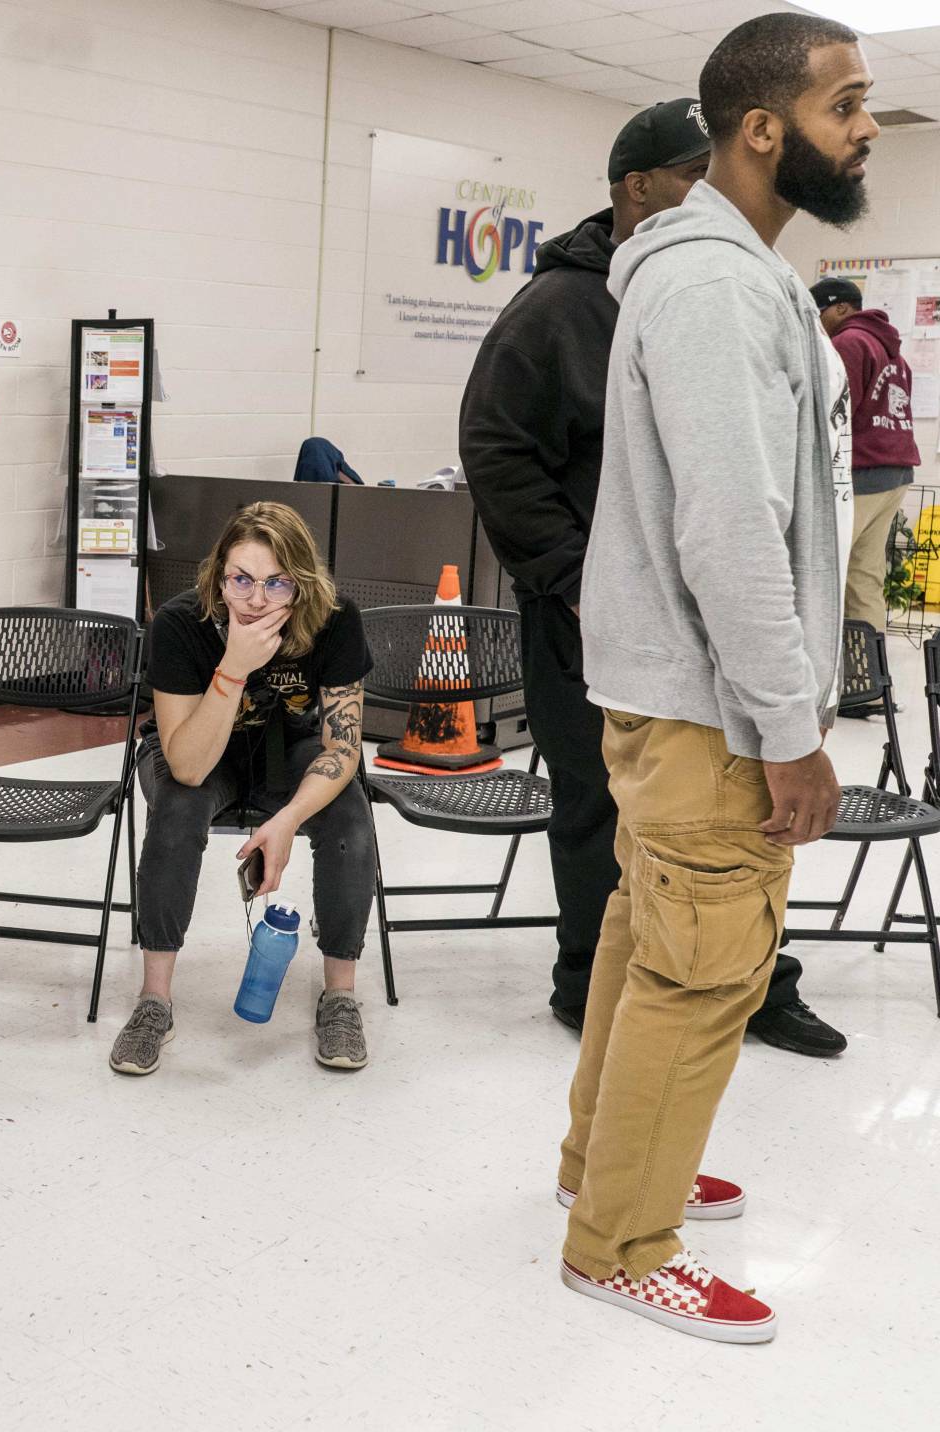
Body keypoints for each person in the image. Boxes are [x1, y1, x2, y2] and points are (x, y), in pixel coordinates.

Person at [554, 13, 876, 1343]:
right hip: (713, 706)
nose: (867, 130)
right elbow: (730, 525)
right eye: (848, 104)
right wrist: (792, 728)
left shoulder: (722, 277)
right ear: (762, 129)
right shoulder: (714, 288)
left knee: (649, 934)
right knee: (705, 971)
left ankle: (601, 1168)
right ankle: (624, 1243)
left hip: (683, 696)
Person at [461, 98, 846, 1059]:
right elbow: (496, 449)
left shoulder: (720, 279)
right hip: (593, 618)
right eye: (692, 172)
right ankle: (590, 983)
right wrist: (572, 576)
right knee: (599, 806)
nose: (710, 188)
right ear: (638, 185)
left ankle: (754, 982)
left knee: (730, 814)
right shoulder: (559, 307)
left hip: (707, 622)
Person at [112, 502, 375, 1075]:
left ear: (301, 584)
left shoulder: (334, 618)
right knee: (178, 809)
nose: (257, 599)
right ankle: (154, 1000)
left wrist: (286, 820)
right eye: (242, 580)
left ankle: (339, 996)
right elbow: (185, 765)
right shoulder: (181, 624)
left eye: (277, 582)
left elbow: (342, 748)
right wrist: (233, 665)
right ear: (218, 576)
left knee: (350, 815)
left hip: (296, 744)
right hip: (202, 746)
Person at [813, 274, 921, 691]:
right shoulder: (895, 352)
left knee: (823, 578)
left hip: (859, 476)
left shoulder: (848, 344)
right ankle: (868, 684)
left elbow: (835, 414)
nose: (817, 323)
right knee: (865, 578)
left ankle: (824, 685)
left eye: (818, 312)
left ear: (839, 308)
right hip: (894, 475)